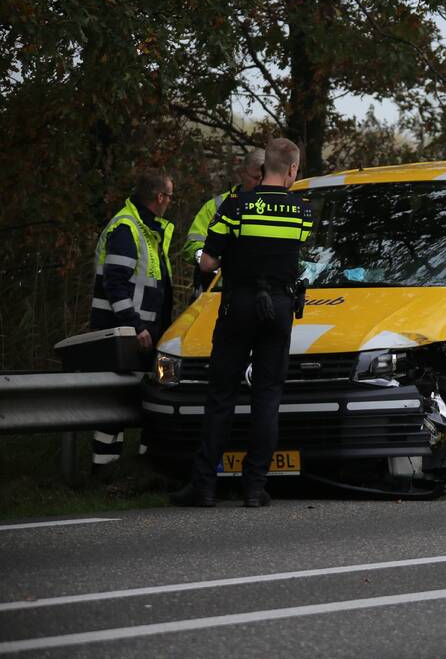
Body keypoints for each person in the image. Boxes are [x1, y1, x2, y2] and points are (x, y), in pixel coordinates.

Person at [171, 138, 312, 508]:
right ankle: (254, 487)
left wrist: (232, 254)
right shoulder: (302, 211)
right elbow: (300, 254)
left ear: (264, 167)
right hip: (280, 308)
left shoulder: (237, 206)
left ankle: (203, 486)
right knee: (267, 397)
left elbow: (207, 264)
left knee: (221, 397)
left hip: (239, 305)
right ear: (293, 169)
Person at [90, 169, 175, 471]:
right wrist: (135, 325)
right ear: (160, 197)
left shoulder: (147, 228)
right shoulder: (128, 228)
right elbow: (115, 283)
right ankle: (103, 470)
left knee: (143, 402)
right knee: (114, 405)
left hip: (142, 334)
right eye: (170, 196)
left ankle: (138, 469)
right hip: (123, 333)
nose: (170, 203)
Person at [182, 149, 265, 297]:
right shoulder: (215, 206)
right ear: (242, 172)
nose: (260, 183)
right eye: (256, 177)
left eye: (264, 178)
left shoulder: (275, 206)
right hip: (213, 291)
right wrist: (208, 257)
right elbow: (193, 243)